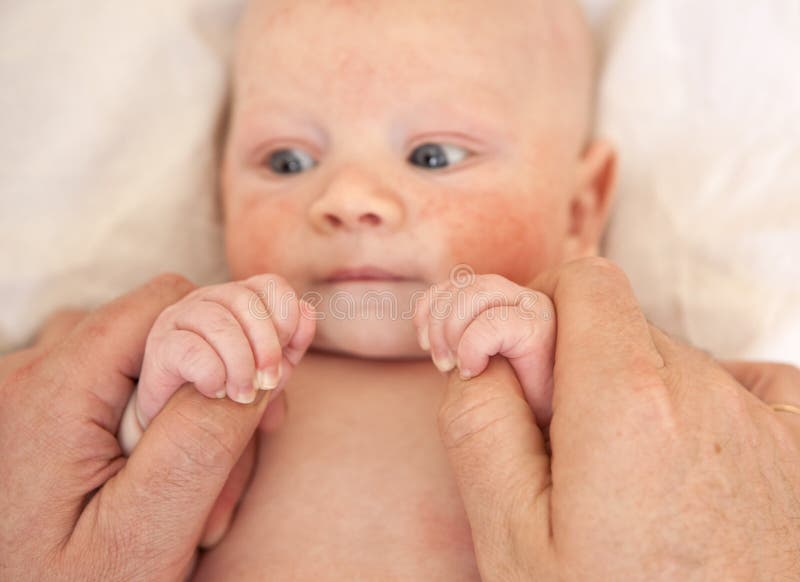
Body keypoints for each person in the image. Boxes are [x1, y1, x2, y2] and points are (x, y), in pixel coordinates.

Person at [2, 0, 799, 579]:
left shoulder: (612, 383)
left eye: (432, 156)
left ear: (580, 208)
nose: (348, 198)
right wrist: (159, 397)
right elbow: (95, 507)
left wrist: (551, 385)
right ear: (218, 194)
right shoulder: (204, 350)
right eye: (286, 162)